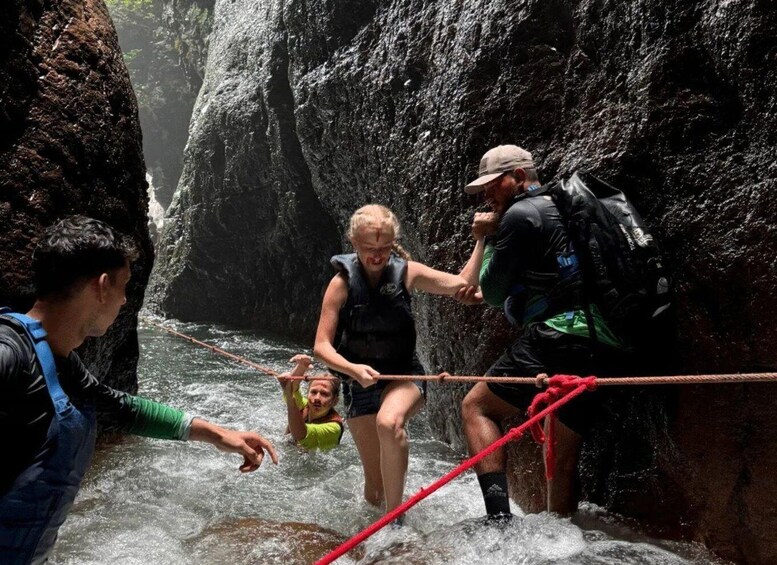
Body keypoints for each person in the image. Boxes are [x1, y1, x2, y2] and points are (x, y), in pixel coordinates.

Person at [0, 216, 279, 565]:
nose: (124, 301)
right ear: (102, 287)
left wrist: (219, 434)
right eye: (124, 287)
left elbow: (119, 409)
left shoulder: (60, 361)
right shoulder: (9, 355)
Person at [458, 145, 631, 519]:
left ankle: (498, 522)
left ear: (519, 177)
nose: (488, 194)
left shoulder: (519, 215)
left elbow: (491, 291)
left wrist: (486, 237)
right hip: (600, 342)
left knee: (477, 407)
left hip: (558, 337)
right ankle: (564, 540)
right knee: (560, 455)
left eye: (494, 184)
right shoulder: (562, 207)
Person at [313, 204, 483, 515]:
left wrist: (481, 240)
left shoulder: (408, 272)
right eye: (368, 249)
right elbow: (321, 347)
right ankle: (373, 531)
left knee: (389, 423)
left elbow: (463, 283)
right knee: (374, 490)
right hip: (358, 384)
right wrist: (352, 369)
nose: (377, 256)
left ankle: (396, 522)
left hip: (404, 375)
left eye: (384, 248)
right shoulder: (341, 284)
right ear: (353, 243)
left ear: (393, 244)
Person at [277, 354, 344, 451]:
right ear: (307, 394)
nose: (317, 398)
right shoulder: (304, 405)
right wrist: (301, 367)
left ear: (335, 401)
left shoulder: (334, 428)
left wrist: (290, 398)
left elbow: (300, 435)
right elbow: (292, 389)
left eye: (324, 394)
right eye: (313, 392)